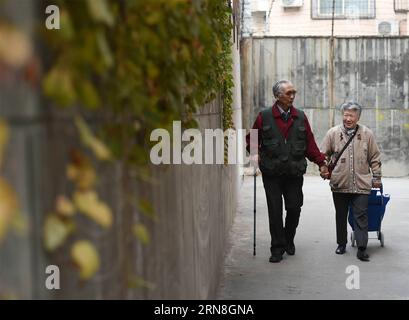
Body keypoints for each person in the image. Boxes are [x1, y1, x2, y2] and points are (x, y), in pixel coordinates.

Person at [246, 80, 328, 263]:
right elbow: (252, 139)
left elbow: (310, 144)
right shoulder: (264, 117)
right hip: (272, 174)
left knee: (294, 208)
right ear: (277, 96)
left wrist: (321, 162)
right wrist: (254, 154)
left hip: (294, 173)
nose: (292, 96)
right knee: (274, 211)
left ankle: (288, 238)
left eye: (294, 92)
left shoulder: (300, 117)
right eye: (288, 93)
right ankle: (277, 247)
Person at [320, 101, 382, 262]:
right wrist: (324, 168)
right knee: (340, 215)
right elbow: (323, 155)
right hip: (340, 182)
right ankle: (341, 243)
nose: (348, 118)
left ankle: (362, 247)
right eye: (345, 115)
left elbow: (375, 157)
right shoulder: (333, 133)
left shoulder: (367, 134)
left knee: (361, 215)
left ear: (358, 117)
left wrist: (376, 177)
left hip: (361, 183)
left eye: (351, 115)